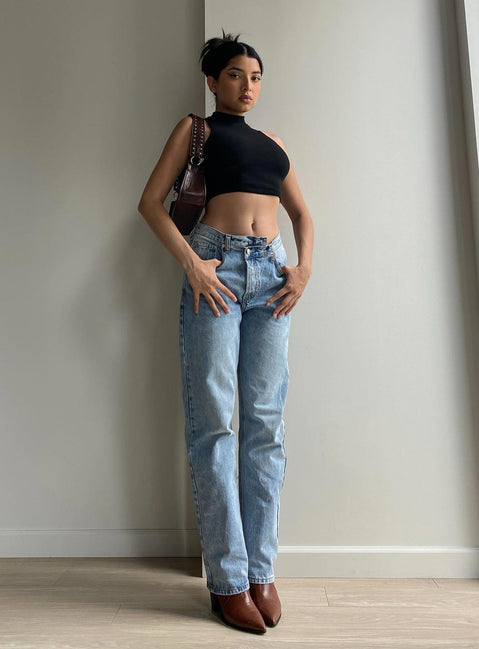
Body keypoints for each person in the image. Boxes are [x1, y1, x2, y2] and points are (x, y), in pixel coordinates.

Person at [137, 30, 313, 635]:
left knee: (265, 424)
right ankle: (229, 581)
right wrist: (192, 264)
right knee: (215, 423)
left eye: (256, 76)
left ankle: (262, 572)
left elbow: (301, 213)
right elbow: (150, 203)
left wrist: (304, 268)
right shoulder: (197, 131)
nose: (248, 86)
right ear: (213, 81)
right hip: (217, 269)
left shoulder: (274, 143)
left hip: (272, 274)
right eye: (236, 75)